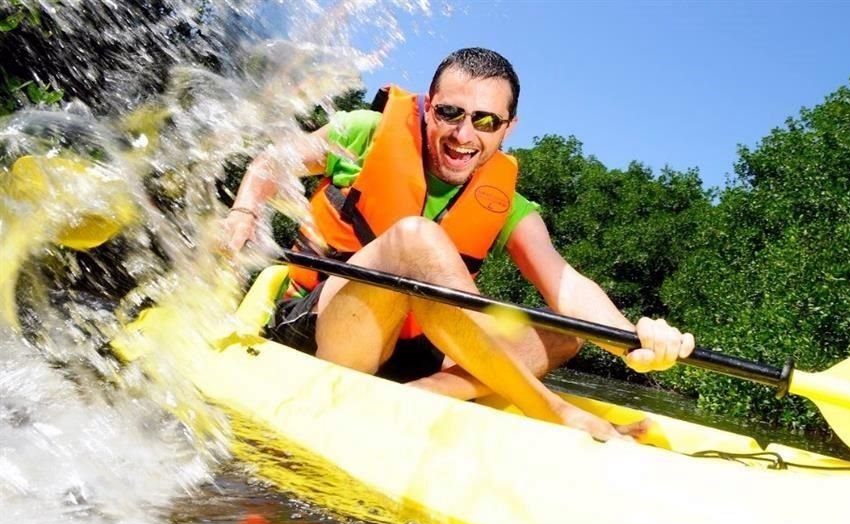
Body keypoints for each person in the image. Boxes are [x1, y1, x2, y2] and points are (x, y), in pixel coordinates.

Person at [223, 47, 694, 440]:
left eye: (487, 121)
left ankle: (426, 394)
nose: (464, 135)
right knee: (416, 238)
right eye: (450, 113)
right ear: (429, 107)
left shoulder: (509, 202)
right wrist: (245, 211)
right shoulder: (365, 131)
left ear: (509, 127)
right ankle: (549, 409)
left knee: (565, 332)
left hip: (418, 351)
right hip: (328, 330)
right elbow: (272, 162)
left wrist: (632, 341)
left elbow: (566, 284)